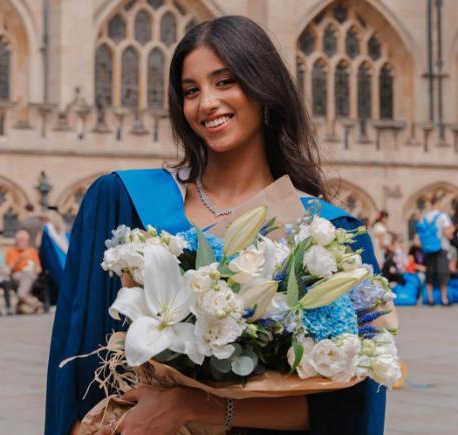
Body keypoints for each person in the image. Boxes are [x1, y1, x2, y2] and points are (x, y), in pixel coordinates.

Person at [45, 16, 390, 435]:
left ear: (265, 89)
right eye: (191, 91)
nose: (205, 103)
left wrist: (193, 408)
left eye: (224, 82)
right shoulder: (121, 200)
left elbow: (349, 411)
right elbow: (75, 375)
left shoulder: (329, 236)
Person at [419, 195, 454, 306]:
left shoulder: (426, 216)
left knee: (430, 272)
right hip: (441, 247)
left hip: (428, 247)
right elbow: (447, 233)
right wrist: (453, 231)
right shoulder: (443, 216)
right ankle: (444, 299)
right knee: (443, 272)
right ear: (438, 203)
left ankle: (430, 299)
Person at [6, 229, 43, 314]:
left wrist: (36, 268)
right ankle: (36, 304)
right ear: (17, 240)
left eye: (26, 240)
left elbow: (38, 267)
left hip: (31, 274)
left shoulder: (31, 251)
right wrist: (19, 259)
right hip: (17, 274)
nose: (24, 242)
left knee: (28, 274)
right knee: (25, 276)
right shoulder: (11, 251)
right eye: (22, 240)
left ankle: (22, 296)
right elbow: (10, 269)